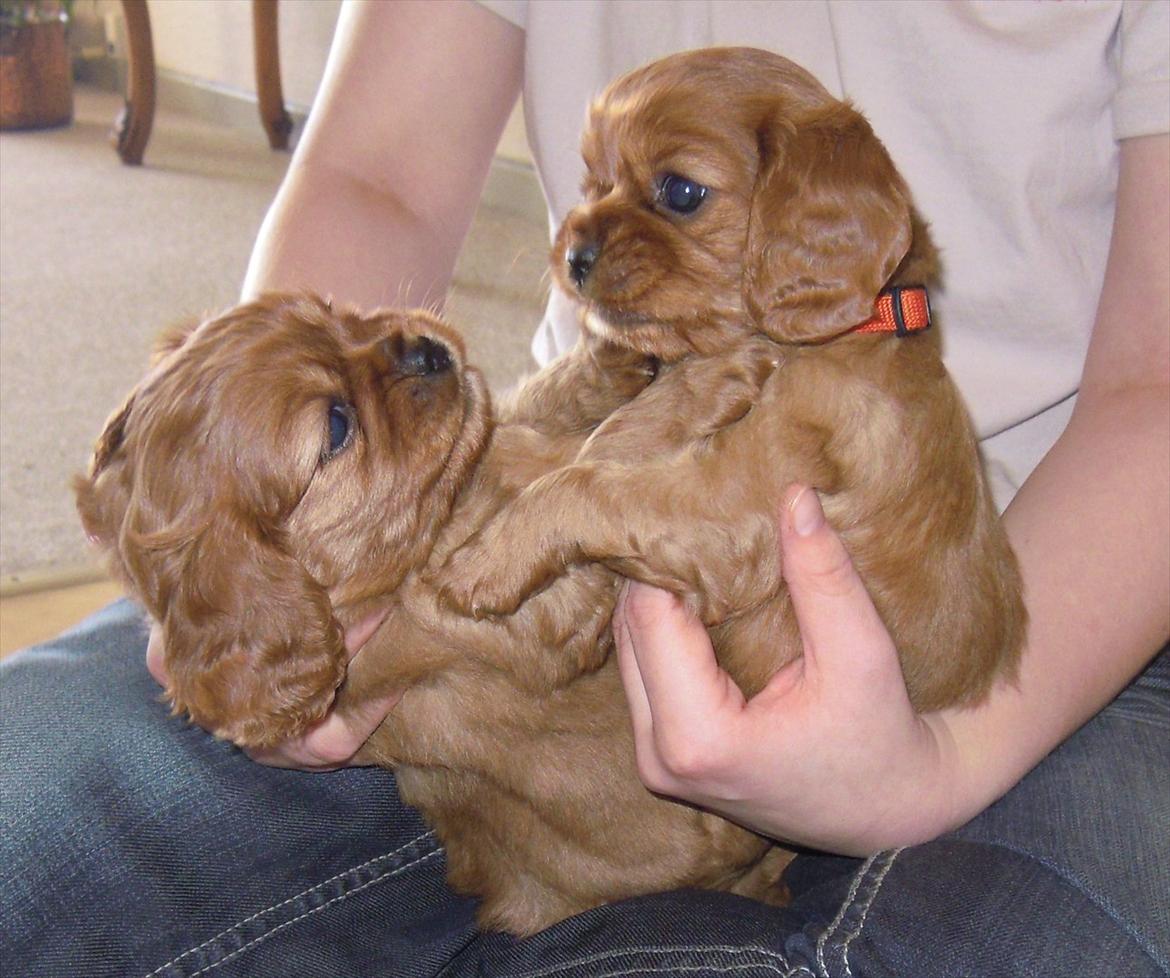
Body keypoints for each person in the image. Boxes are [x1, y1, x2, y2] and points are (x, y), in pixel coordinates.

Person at [2, 2, 1166, 976]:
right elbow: (375, 177)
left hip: (1040, 610)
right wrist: (270, 543)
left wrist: (945, 762)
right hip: (520, 489)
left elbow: (1153, 388)